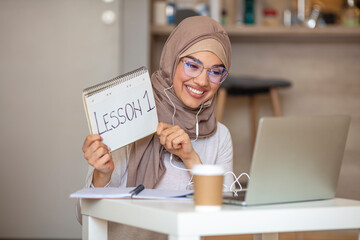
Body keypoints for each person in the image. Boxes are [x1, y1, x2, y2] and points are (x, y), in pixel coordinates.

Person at [77, 16, 234, 239]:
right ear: (172, 60)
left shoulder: (220, 136)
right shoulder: (132, 118)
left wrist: (191, 159)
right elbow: (83, 215)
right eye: (192, 65)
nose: (202, 81)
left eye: (215, 71)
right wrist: (101, 176)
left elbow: (225, 221)